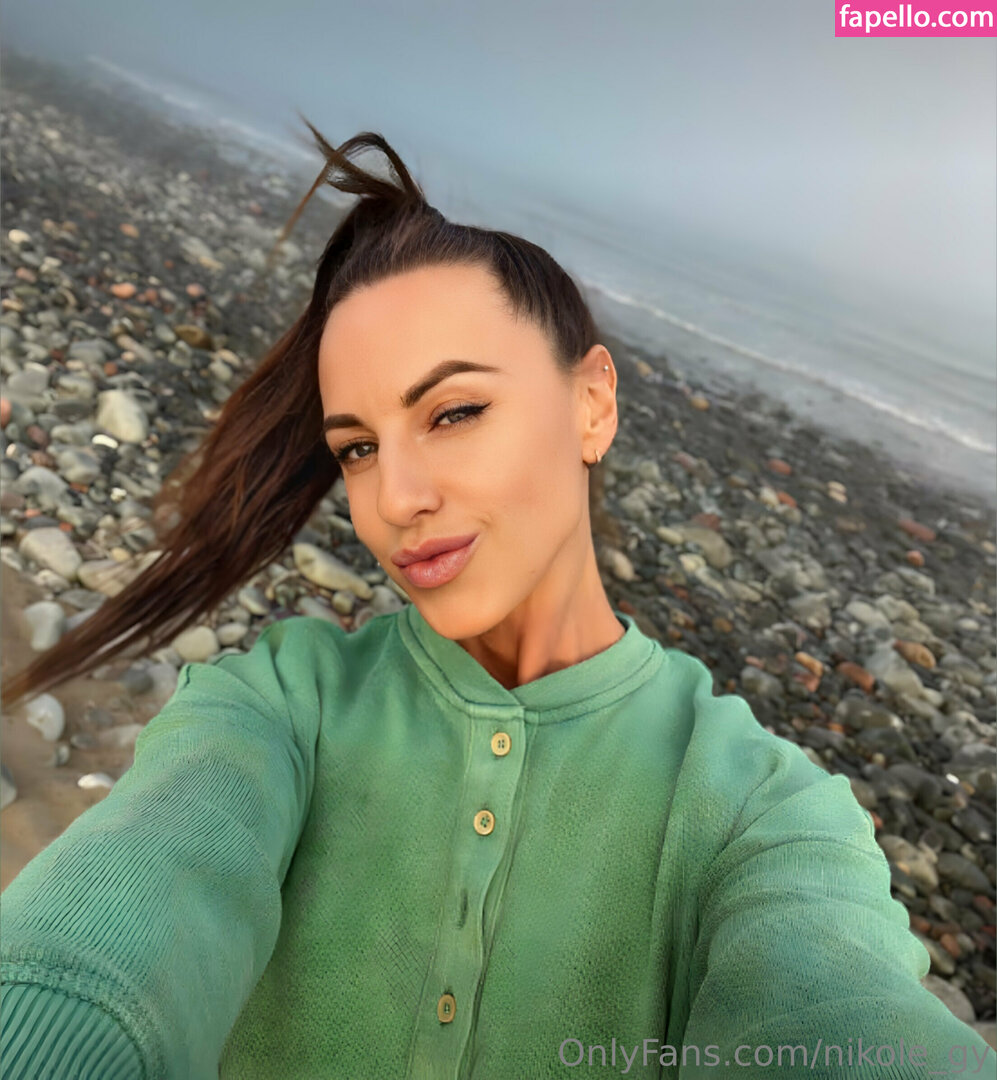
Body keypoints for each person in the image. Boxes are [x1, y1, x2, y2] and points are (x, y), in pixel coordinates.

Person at [0, 128, 991, 1080]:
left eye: (455, 411)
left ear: (592, 404)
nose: (394, 499)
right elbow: (127, 903)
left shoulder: (757, 808)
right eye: (358, 447)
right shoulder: (278, 707)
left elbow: (837, 1010)